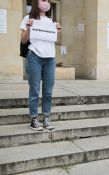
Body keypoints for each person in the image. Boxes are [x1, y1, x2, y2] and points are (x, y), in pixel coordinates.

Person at [20, 0, 62, 131]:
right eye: (43, 0)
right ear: (36, 2)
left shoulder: (51, 21)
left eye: (48, 1)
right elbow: (23, 40)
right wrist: (28, 27)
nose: (46, 3)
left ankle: (47, 117)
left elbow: (52, 39)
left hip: (50, 58)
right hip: (35, 56)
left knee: (48, 90)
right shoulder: (28, 18)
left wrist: (57, 30)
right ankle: (34, 119)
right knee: (35, 89)